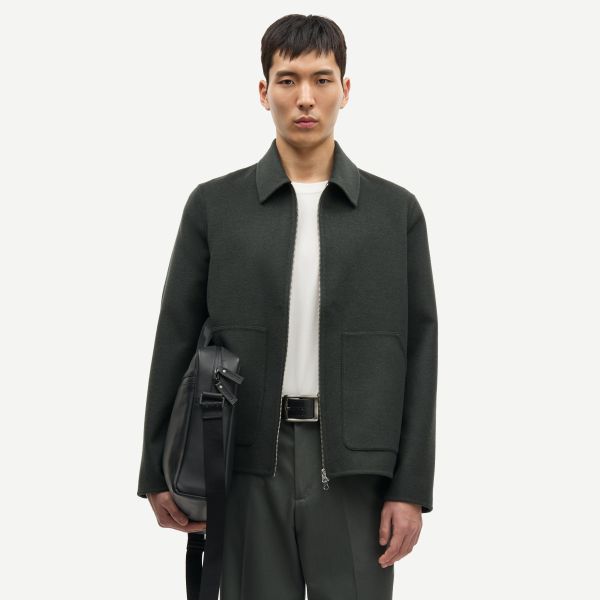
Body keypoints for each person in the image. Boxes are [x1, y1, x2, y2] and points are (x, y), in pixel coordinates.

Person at [137, 13, 438, 600]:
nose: (305, 97)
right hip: (243, 462)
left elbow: (421, 352)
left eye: (322, 80)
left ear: (345, 90)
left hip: (356, 473)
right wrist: (156, 468)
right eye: (288, 80)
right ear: (263, 90)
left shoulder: (394, 213)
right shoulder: (215, 206)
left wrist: (410, 486)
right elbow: (174, 338)